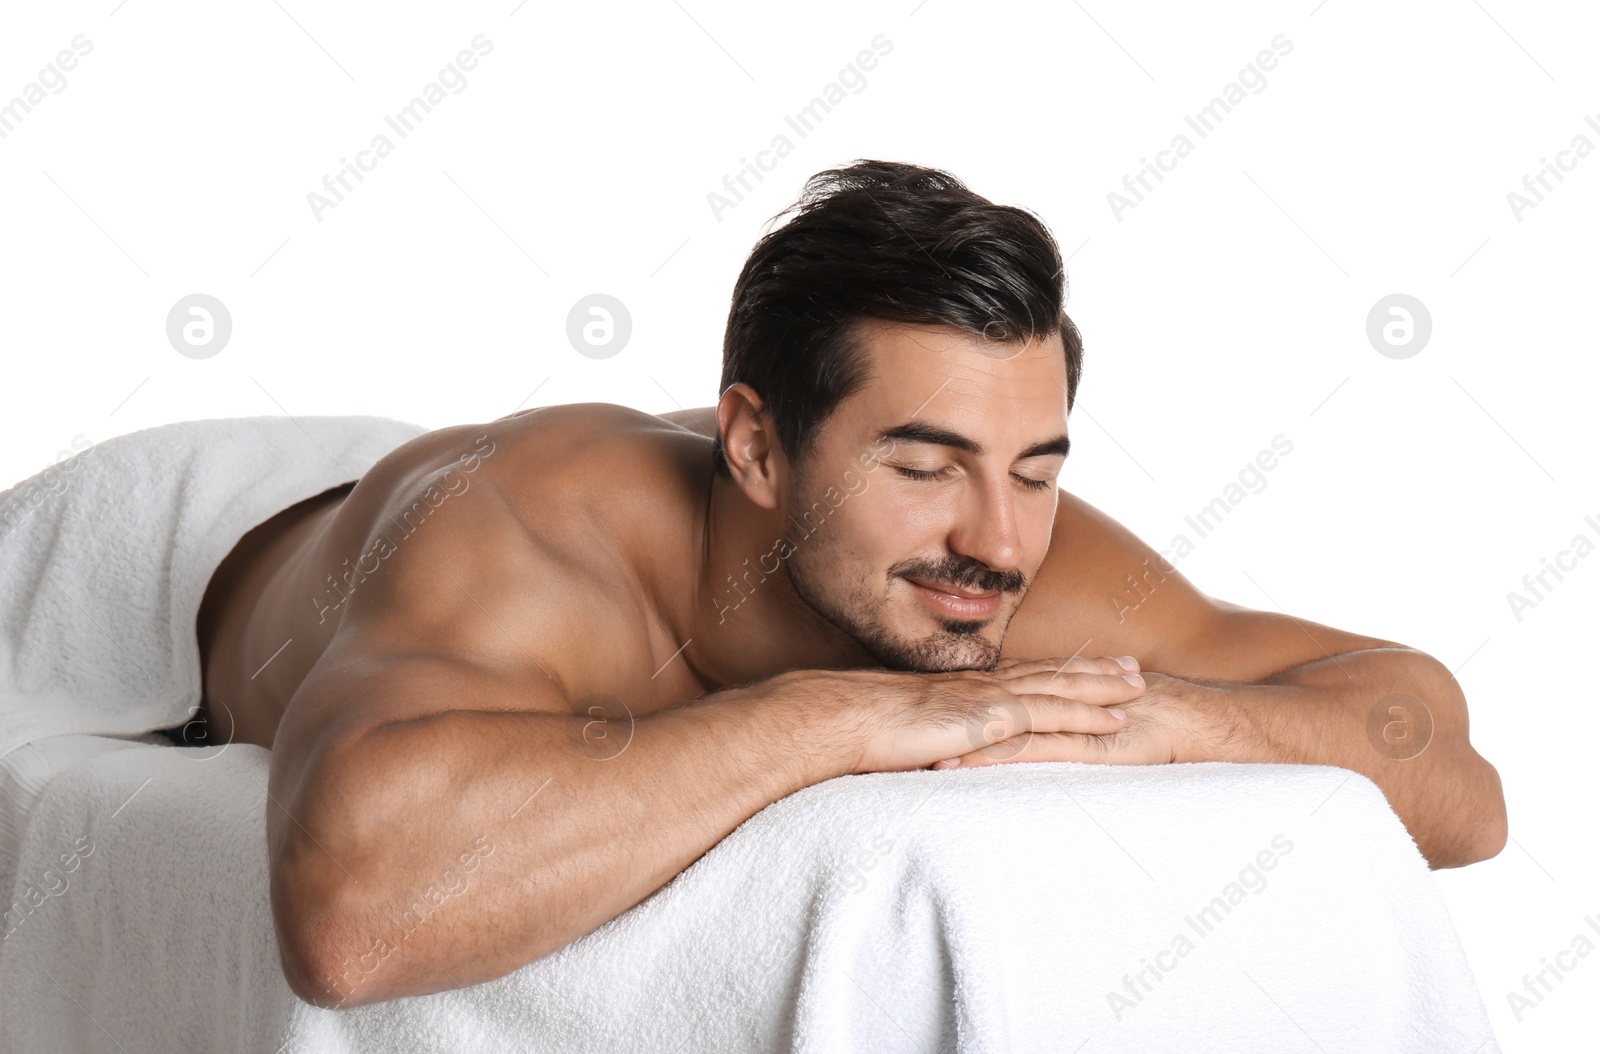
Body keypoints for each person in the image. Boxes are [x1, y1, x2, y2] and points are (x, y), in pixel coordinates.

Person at [190, 159, 1506, 1009]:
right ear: (755, 444)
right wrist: (844, 717)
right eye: (926, 465)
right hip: (215, 534)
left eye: (1036, 467)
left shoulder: (986, 565)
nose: (1000, 539)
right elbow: (351, 919)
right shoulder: (526, 544)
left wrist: (1184, 722)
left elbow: (1455, 776)